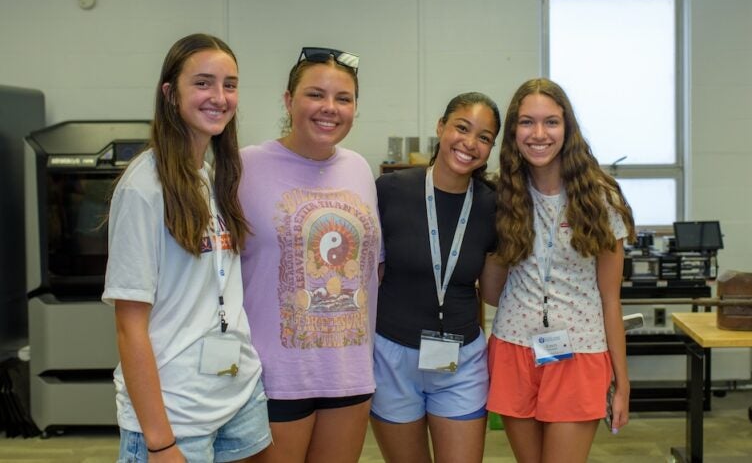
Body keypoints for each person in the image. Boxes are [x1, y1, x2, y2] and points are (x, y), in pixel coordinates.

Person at [102, 33, 271, 462]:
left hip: (238, 395)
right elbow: (129, 327)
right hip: (175, 412)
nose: (219, 97)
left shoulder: (211, 176)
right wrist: (160, 441)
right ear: (169, 93)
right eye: (202, 83)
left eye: (229, 85)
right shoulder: (144, 188)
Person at [482, 77, 636, 463]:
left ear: (567, 129)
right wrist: (502, 233)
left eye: (550, 122)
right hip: (513, 347)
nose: (538, 134)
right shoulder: (501, 196)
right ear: (513, 131)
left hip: (579, 351)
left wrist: (623, 383)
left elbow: (610, 299)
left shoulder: (601, 198)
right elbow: (491, 293)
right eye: (526, 122)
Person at [239, 47, 381, 463]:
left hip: (348, 373)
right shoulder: (243, 168)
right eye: (315, 94)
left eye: (343, 98)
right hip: (271, 376)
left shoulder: (359, 169)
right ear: (288, 100)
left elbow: (375, 266)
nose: (329, 108)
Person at [370, 92, 502, 463]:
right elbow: (370, 273)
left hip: (461, 360)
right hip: (392, 356)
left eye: (484, 137)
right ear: (441, 127)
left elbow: (492, 292)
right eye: (462, 127)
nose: (470, 143)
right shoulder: (390, 191)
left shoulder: (494, 205)